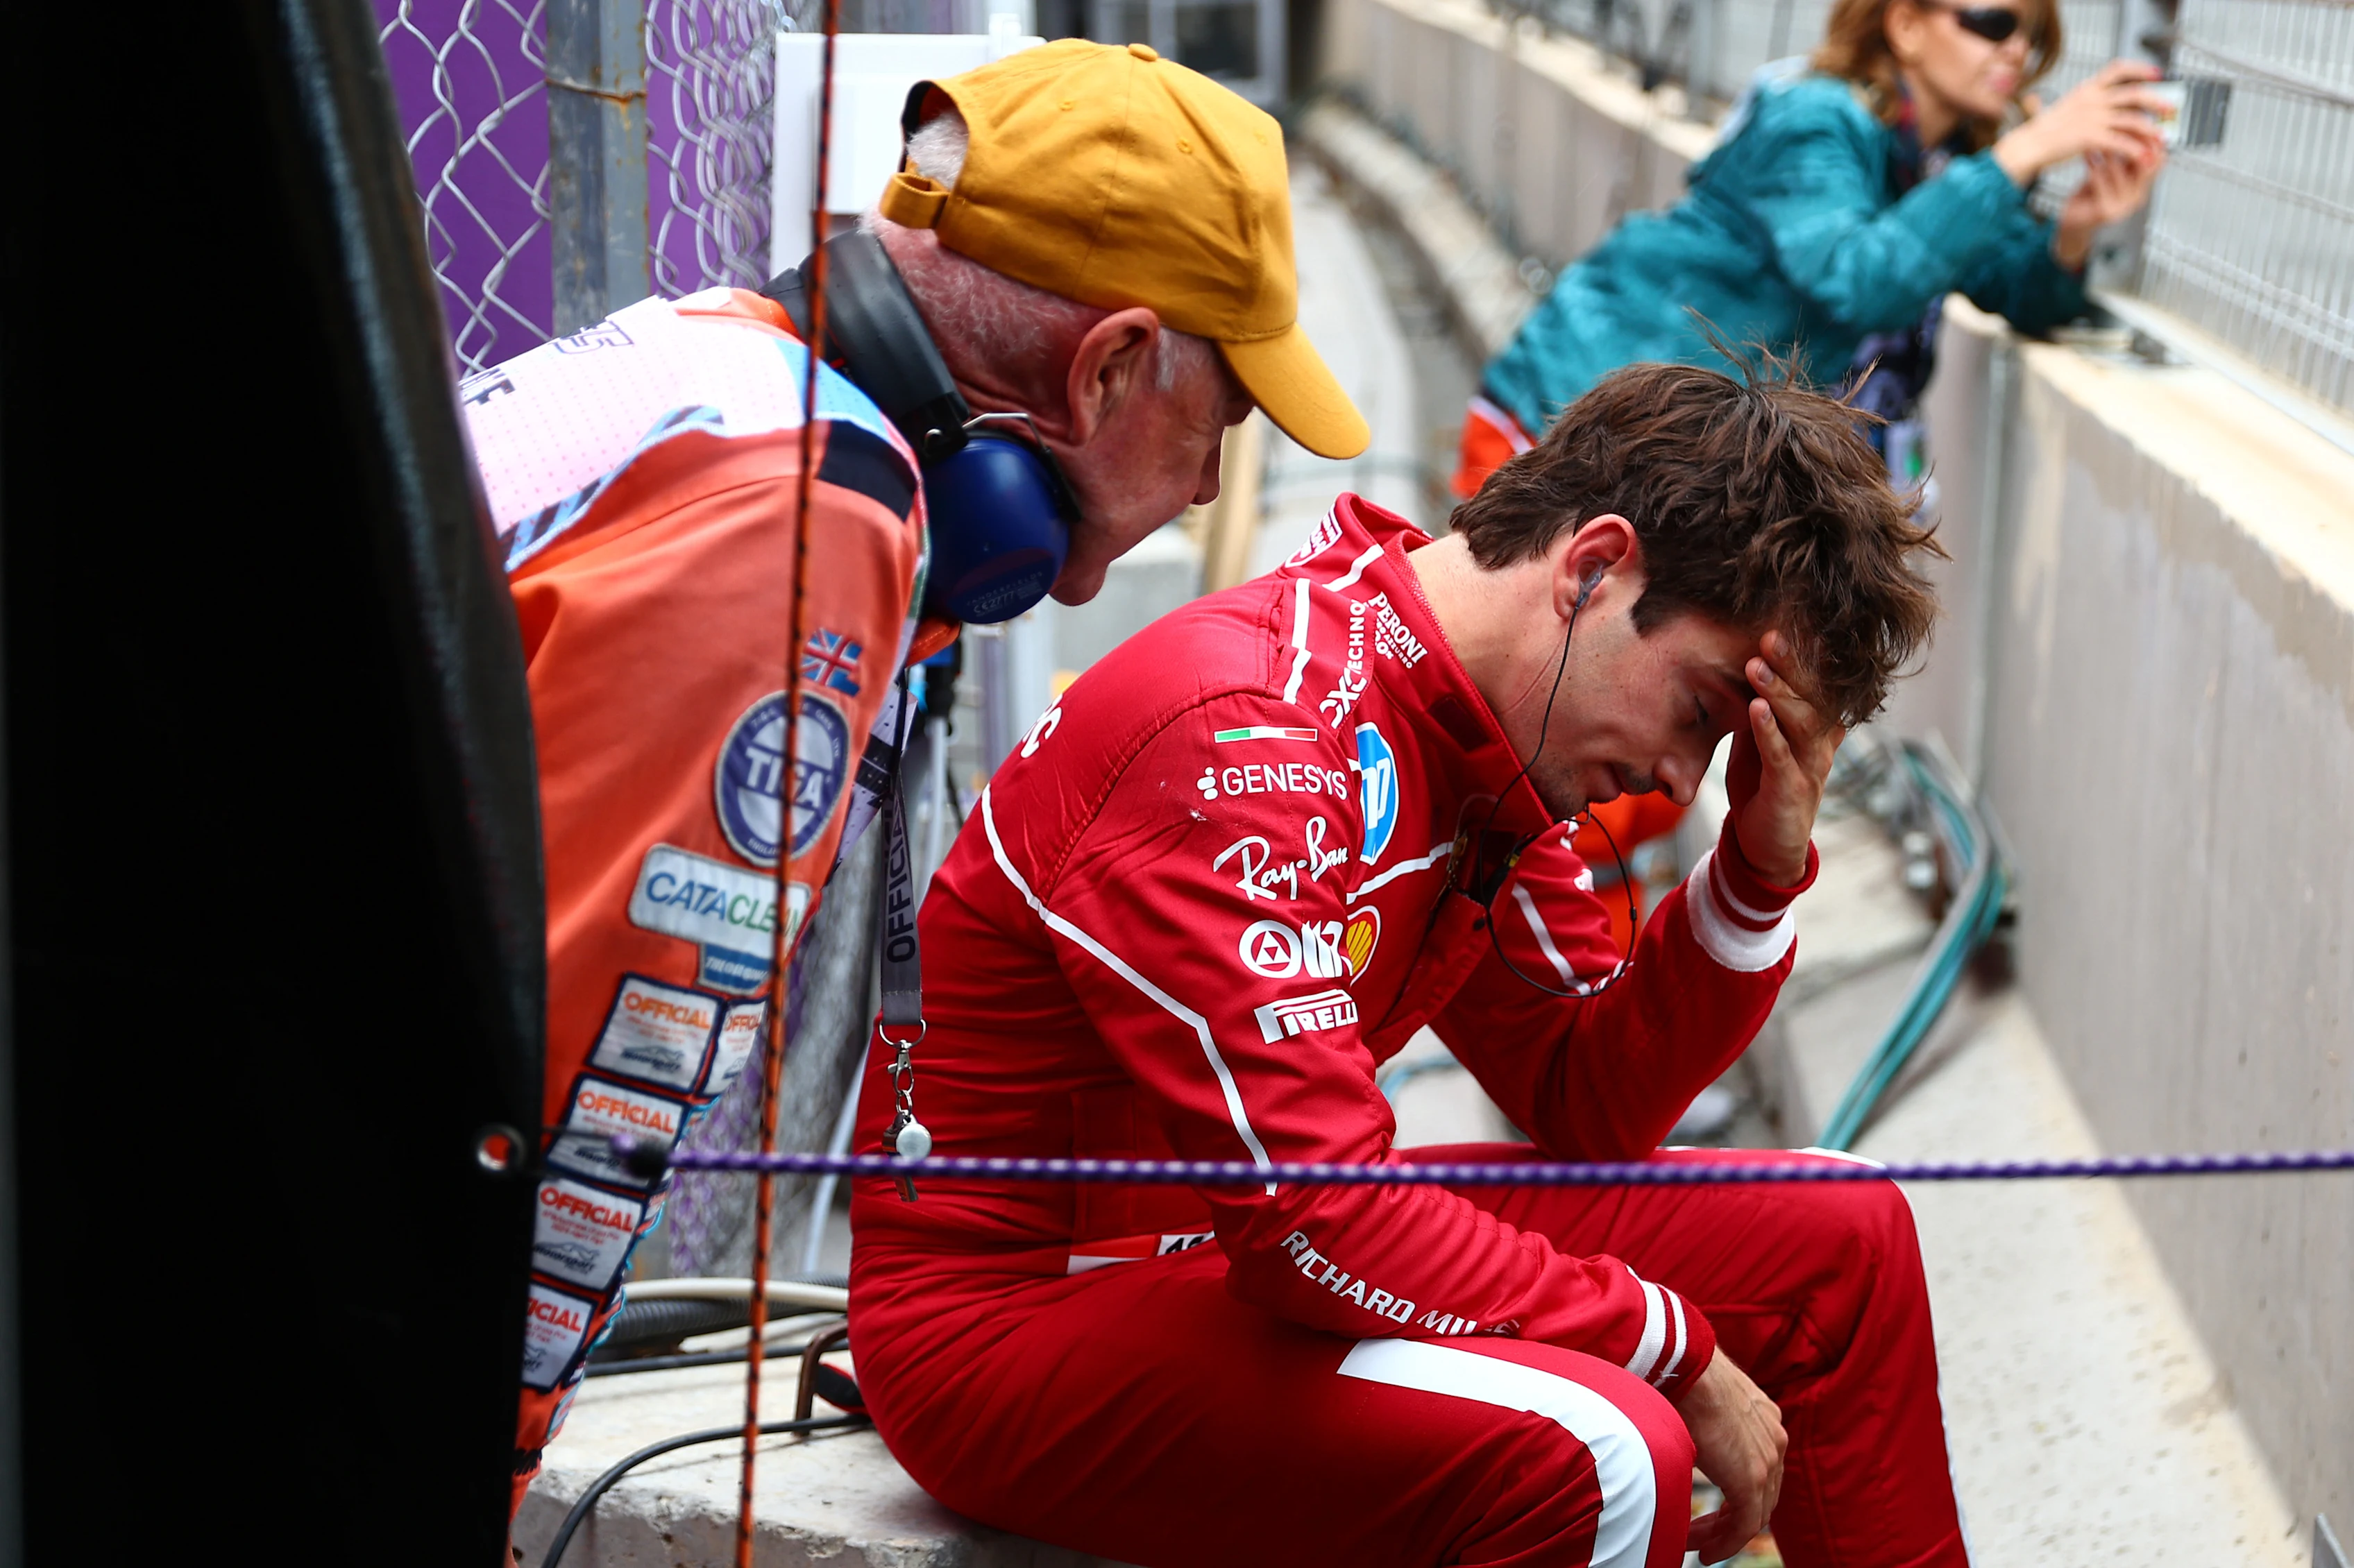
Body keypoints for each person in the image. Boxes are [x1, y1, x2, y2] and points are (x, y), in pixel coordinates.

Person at [460, 38, 1372, 1507]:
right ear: (1114, 362)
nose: (1213, 483)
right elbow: (567, 1083)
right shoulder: (805, 521)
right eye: (1231, 418)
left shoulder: (729, 371)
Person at [849, 361, 1955, 1567]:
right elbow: (1313, 1221)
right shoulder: (1244, 732)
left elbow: (1583, 1101)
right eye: (1697, 710)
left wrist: (1752, 876)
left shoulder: (1466, 731)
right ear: (1590, 568)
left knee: (1839, 1238)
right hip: (1010, 1315)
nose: (1684, 784)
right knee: (1604, 1453)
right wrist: (1667, 1344)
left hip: (1226, 1255)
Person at [1457, 0, 2170, 495]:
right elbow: (1855, 277)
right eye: (1991, 22)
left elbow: (2010, 286)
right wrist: (2020, 155)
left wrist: (2075, 228)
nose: (2015, 49)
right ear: (1904, 25)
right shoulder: (1814, 119)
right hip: (1562, 432)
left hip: (1670, 458)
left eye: (2030, 35)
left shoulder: (1931, 164)